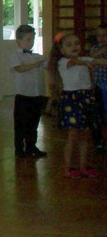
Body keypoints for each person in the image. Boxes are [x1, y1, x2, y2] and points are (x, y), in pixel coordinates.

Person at [48, 33, 107, 179]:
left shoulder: (84, 59)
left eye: (76, 43)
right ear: (62, 50)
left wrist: (93, 60)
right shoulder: (63, 62)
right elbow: (74, 62)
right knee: (73, 135)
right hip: (72, 100)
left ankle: (83, 166)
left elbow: (100, 61)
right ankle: (67, 168)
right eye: (69, 45)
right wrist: (85, 63)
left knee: (85, 135)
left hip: (86, 98)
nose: (74, 46)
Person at [10, 25, 47, 158]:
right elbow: (19, 68)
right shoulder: (15, 56)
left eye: (33, 39)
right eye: (28, 39)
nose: (31, 42)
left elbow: (48, 64)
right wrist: (34, 65)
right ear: (19, 41)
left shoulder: (37, 56)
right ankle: (19, 149)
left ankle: (31, 146)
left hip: (37, 95)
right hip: (23, 95)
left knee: (34, 123)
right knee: (20, 124)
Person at [89, 24, 107, 152]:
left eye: (105, 35)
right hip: (98, 86)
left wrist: (97, 60)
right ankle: (99, 142)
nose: (101, 38)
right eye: (99, 35)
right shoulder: (96, 48)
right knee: (98, 115)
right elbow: (91, 59)